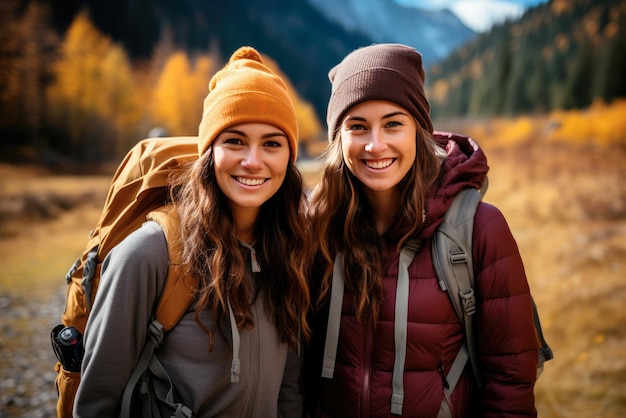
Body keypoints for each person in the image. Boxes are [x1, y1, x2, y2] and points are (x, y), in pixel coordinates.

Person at [303, 43, 539, 417]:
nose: (375, 144)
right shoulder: (315, 227)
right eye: (357, 127)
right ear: (338, 139)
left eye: (393, 123)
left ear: (419, 130)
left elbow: (510, 379)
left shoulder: (478, 228)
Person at [73, 46, 310, 417]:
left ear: (289, 157)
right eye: (234, 140)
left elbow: (289, 390)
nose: (253, 161)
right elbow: (96, 404)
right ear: (209, 152)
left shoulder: (291, 250)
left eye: (272, 144)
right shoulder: (149, 255)